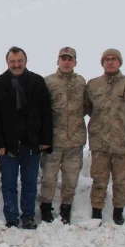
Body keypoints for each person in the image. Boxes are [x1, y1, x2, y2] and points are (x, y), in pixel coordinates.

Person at [0, 46, 53, 229]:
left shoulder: (37, 82)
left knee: (30, 183)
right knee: (8, 184)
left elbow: (46, 113)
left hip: (32, 143)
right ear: (7, 63)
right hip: (8, 145)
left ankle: (28, 216)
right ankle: (12, 218)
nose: (16, 65)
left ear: (26, 61)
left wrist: (45, 140)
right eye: (12, 61)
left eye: (19, 61)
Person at [85, 49, 125, 225]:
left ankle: (118, 212)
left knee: (121, 180)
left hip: (123, 143)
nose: (110, 62)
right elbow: (86, 109)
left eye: (114, 59)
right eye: (107, 59)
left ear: (119, 62)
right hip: (99, 143)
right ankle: (96, 212)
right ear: (102, 63)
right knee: (98, 179)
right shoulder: (93, 85)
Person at [38, 47, 87, 225]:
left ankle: (66, 207)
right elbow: (41, 110)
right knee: (49, 177)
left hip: (75, 140)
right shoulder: (48, 82)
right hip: (53, 141)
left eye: (70, 59)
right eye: (63, 58)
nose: (66, 62)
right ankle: (45, 207)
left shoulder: (81, 82)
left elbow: (87, 107)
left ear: (75, 62)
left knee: (71, 177)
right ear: (57, 61)